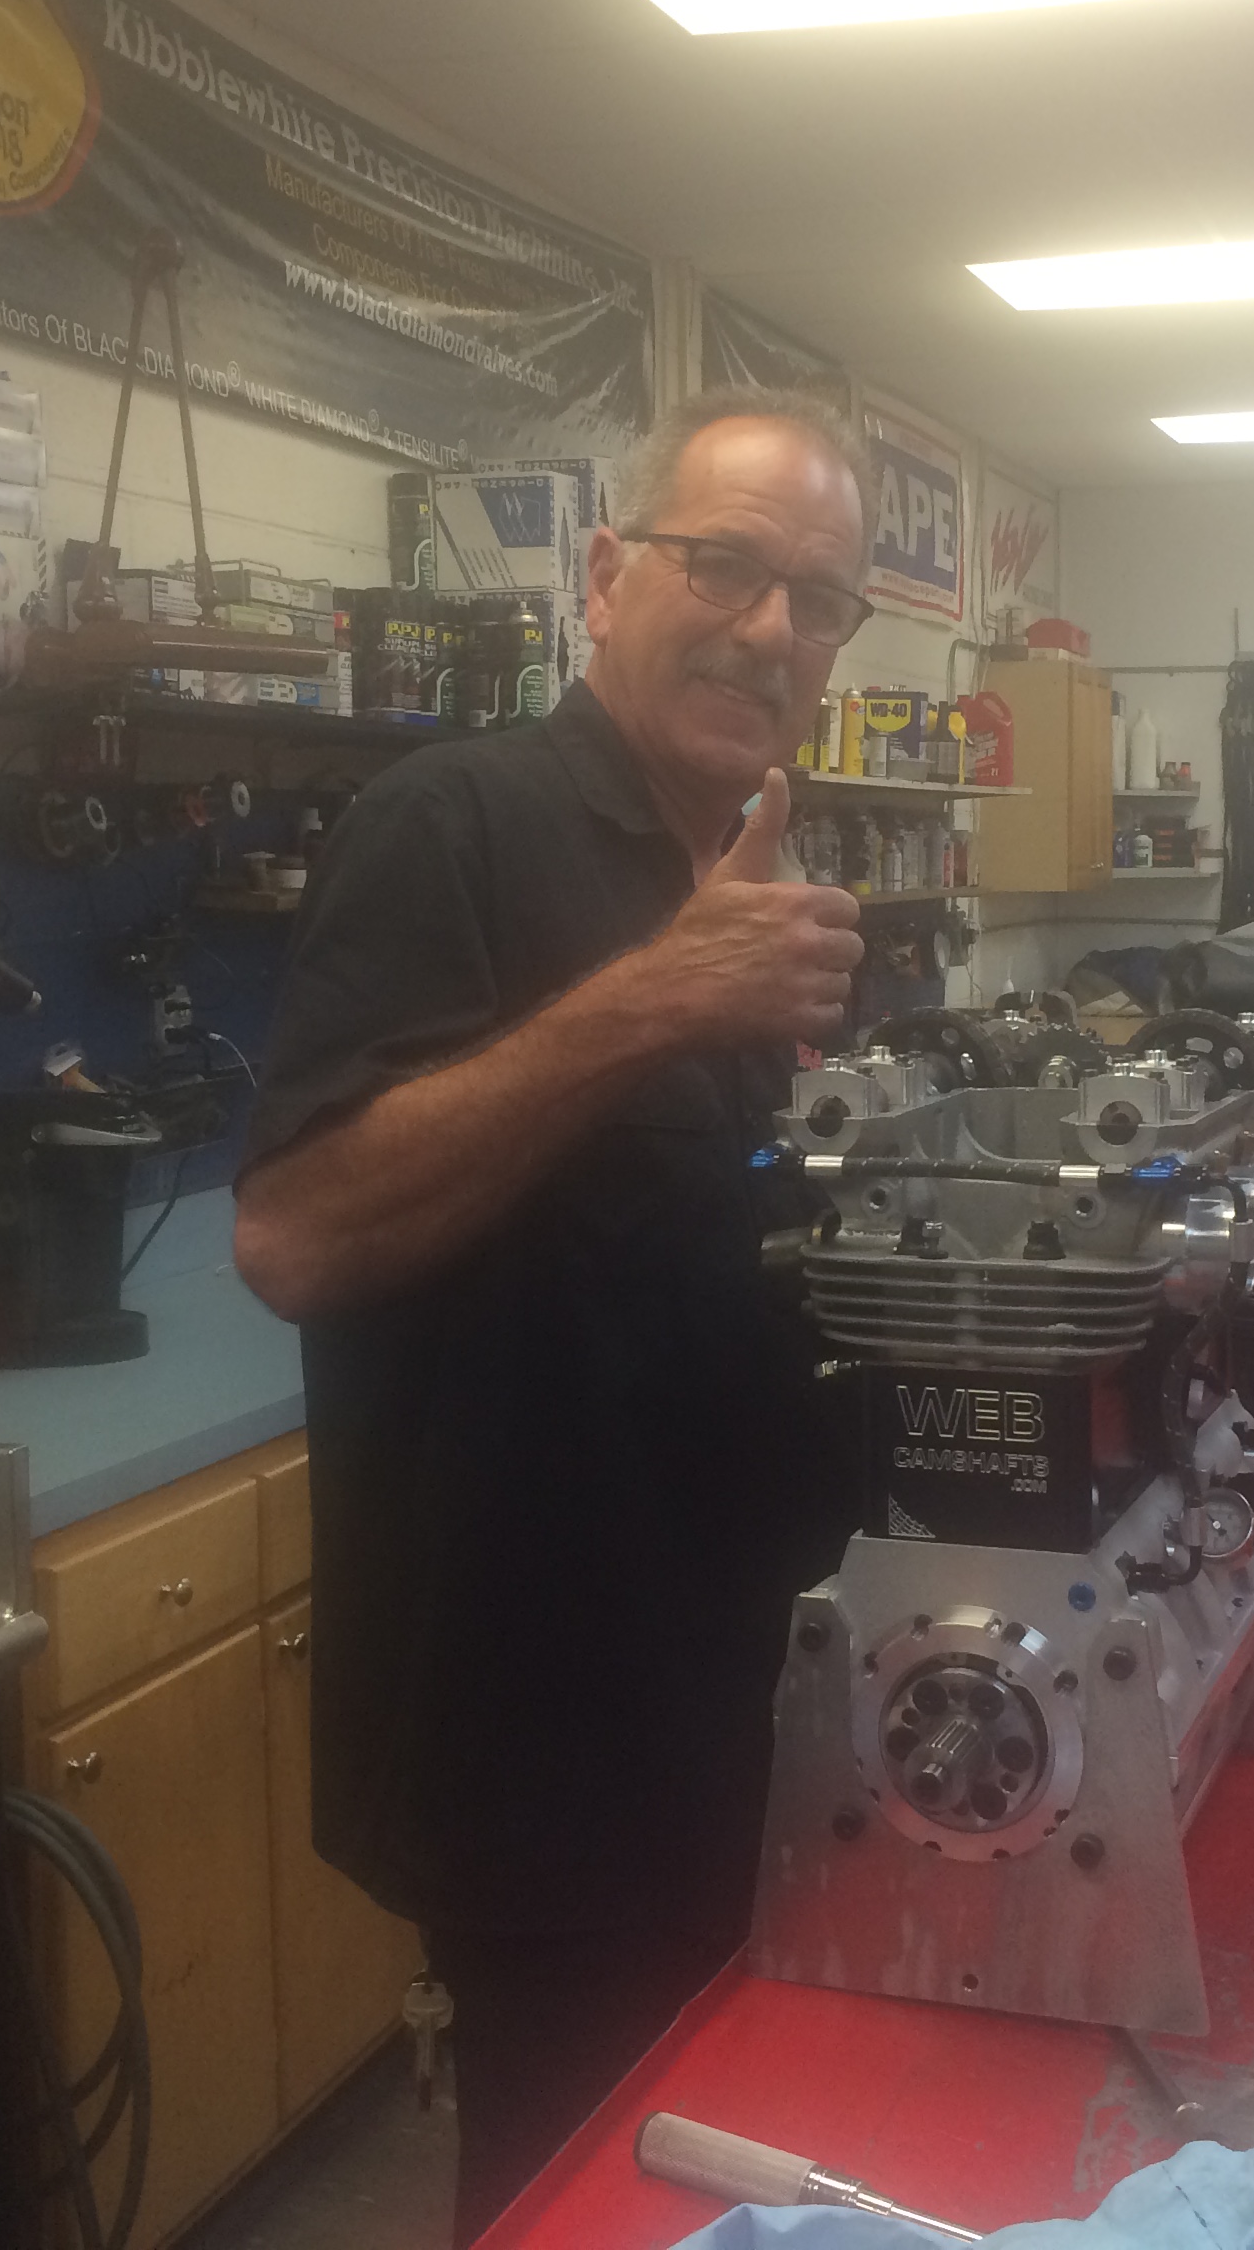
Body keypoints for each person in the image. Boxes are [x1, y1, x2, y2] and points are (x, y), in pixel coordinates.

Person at [231, 386, 881, 2238]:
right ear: (605, 576)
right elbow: (294, 1234)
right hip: (556, 1756)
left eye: (818, 600)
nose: (769, 627)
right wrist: (658, 998)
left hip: (740, 1714)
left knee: (727, 2178)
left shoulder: (730, 860)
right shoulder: (453, 824)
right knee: (578, 2196)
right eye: (725, 565)